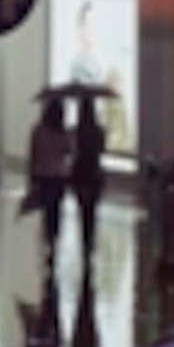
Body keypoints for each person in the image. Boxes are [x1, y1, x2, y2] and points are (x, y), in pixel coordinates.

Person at [26, 93, 75, 259]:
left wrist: (31, 178)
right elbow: (70, 151)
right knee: (56, 210)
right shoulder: (63, 132)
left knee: (47, 210)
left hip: (43, 175)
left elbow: (33, 155)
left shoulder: (38, 131)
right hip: (59, 176)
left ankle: (48, 239)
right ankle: (54, 239)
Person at [70, 94, 107, 261]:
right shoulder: (99, 131)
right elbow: (102, 150)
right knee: (92, 210)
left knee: (82, 209)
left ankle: (84, 240)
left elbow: (72, 151)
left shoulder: (76, 131)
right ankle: (90, 241)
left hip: (80, 172)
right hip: (95, 172)